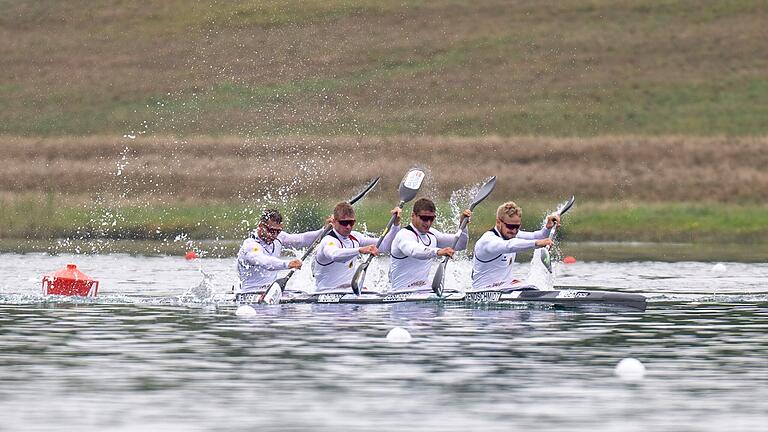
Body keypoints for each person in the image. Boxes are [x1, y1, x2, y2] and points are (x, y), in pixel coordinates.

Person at [312, 202, 401, 293]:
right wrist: (360, 250)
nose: (348, 227)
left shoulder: (356, 237)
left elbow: (385, 245)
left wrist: (396, 225)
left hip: (349, 292)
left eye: (351, 222)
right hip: (326, 294)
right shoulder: (329, 241)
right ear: (334, 222)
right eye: (344, 223)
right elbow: (335, 255)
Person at [471, 201, 559, 291]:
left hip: (505, 286)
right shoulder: (487, 241)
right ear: (498, 222)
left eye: (517, 227)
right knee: (530, 288)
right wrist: (537, 243)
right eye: (510, 226)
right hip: (483, 290)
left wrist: (548, 228)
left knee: (533, 287)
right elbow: (509, 246)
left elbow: (538, 236)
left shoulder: (511, 234)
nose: (513, 231)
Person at [388, 198, 471, 293]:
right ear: (413, 216)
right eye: (424, 218)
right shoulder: (404, 235)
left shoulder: (432, 235)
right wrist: (438, 251)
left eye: (431, 218)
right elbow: (414, 251)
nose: (428, 223)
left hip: (425, 291)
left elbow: (460, 244)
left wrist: (463, 225)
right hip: (401, 294)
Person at [236, 209, 325, 293]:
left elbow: (302, 239)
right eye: (271, 230)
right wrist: (287, 264)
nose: (274, 235)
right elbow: (264, 262)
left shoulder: (279, 237)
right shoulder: (250, 246)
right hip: (251, 292)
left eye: (278, 231)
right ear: (261, 226)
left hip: (271, 291)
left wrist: (325, 230)